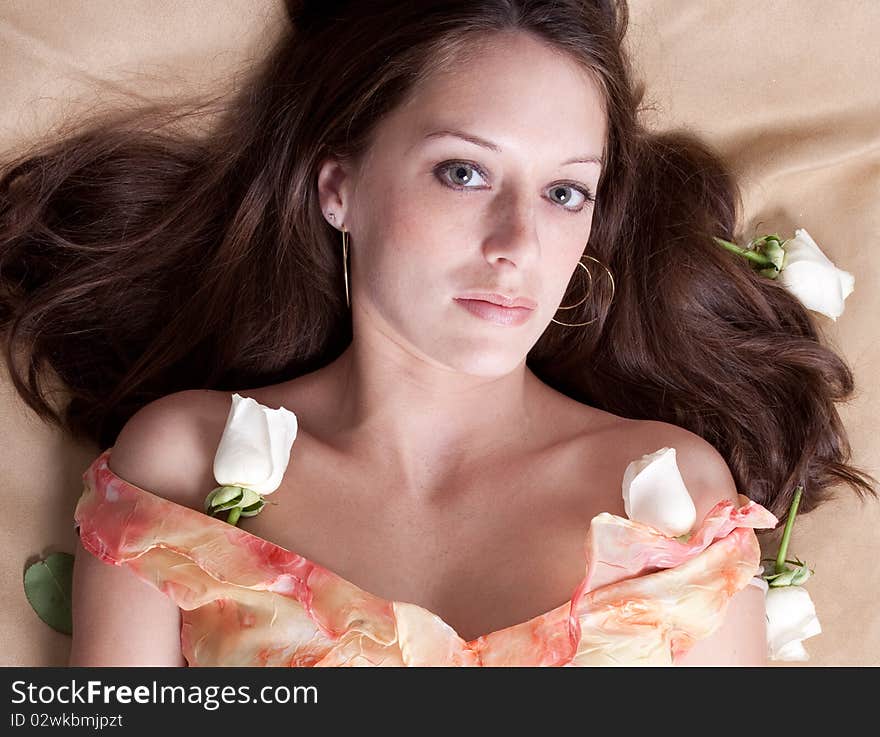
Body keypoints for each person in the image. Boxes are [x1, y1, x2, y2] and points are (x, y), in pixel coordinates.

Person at [1, 0, 874, 666]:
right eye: (464, 172)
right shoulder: (178, 467)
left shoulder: (672, 491)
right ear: (338, 187)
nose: (517, 245)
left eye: (564, 192)